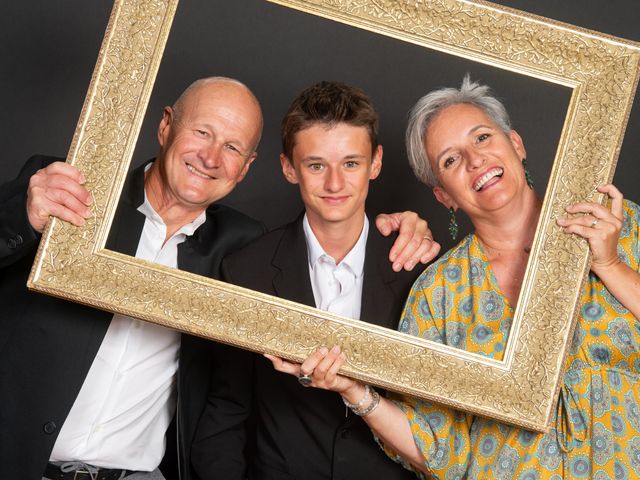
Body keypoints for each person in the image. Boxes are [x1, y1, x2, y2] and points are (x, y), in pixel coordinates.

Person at [0, 77, 435, 480]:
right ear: (166, 125)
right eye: (202, 133)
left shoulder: (237, 249)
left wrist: (406, 225)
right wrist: (24, 213)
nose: (210, 158)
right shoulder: (67, 191)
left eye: (232, 147)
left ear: (247, 168)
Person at [270, 77, 640, 479]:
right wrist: (353, 390)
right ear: (442, 195)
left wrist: (609, 264)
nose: (474, 159)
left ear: (515, 143)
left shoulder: (618, 225)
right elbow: (439, 451)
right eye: (449, 160)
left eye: (482, 137)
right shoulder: (438, 292)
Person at [191, 81, 440, 480]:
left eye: (351, 163)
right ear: (289, 168)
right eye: (316, 165)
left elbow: (441, 424)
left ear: (375, 163)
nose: (335, 184)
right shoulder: (246, 270)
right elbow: (227, 409)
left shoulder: (420, 267)